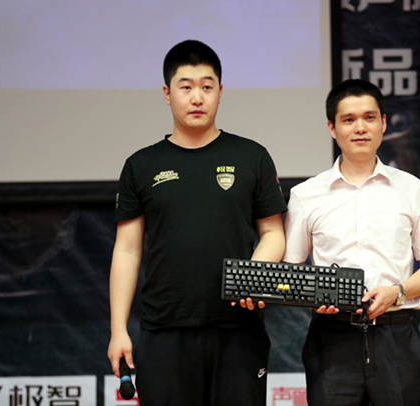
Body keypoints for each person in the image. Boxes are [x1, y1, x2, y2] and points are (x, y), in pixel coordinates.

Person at [107, 39, 287, 405]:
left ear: (220, 92)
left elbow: (273, 233)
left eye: (206, 87)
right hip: (165, 330)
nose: (197, 97)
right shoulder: (141, 165)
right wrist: (118, 330)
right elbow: (126, 251)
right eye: (185, 87)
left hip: (239, 329)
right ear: (167, 93)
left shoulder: (252, 157)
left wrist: (252, 279)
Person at [283, 79, 420, 406]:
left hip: (397, 335)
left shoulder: (411, 189)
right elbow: (291, 271)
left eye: (369, 117)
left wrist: (398, 291)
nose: (360, 128)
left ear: (383, 123)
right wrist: (315, 297)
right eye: (348, 120)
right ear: (332, 128)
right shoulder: (305, 195)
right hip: (332, 337)